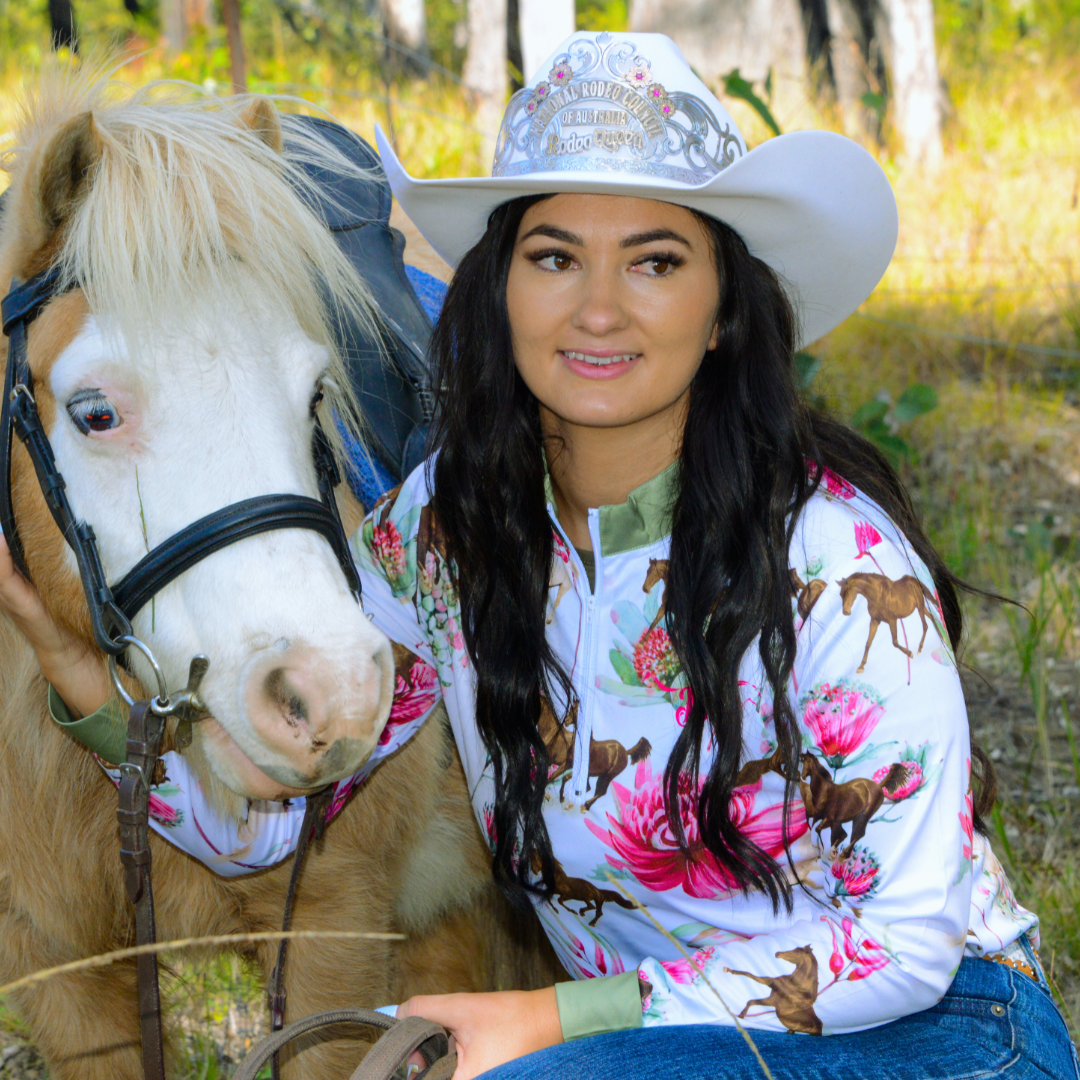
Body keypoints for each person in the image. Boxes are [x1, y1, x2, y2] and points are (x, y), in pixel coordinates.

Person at [3, 30, 1077, 1080]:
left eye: (656, 261)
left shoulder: (833, 552)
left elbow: (910, 944)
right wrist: (86, 687)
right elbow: (274, 826)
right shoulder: (446, 538)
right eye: (554, 256)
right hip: (642, 1044)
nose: (598, 307)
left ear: (720, 313)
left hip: (936, 1035)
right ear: (498, 291)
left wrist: (556, 1020)